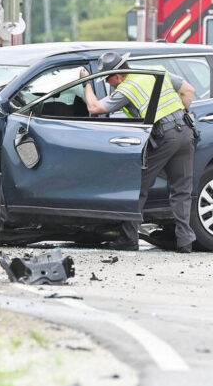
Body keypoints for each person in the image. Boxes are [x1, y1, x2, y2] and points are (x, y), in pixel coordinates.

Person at [80, 52, 197, 253]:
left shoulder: (127, 88)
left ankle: (128, 239)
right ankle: (185, 242)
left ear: (117, 76)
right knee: (182, 190)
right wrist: (179, 114)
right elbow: (189, 91)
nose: (108, 83)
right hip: (186, 131)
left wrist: (86, 84)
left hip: (164, 137)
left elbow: (94, 107)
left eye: (107, 79)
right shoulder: (155, 71)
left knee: (137, 187)